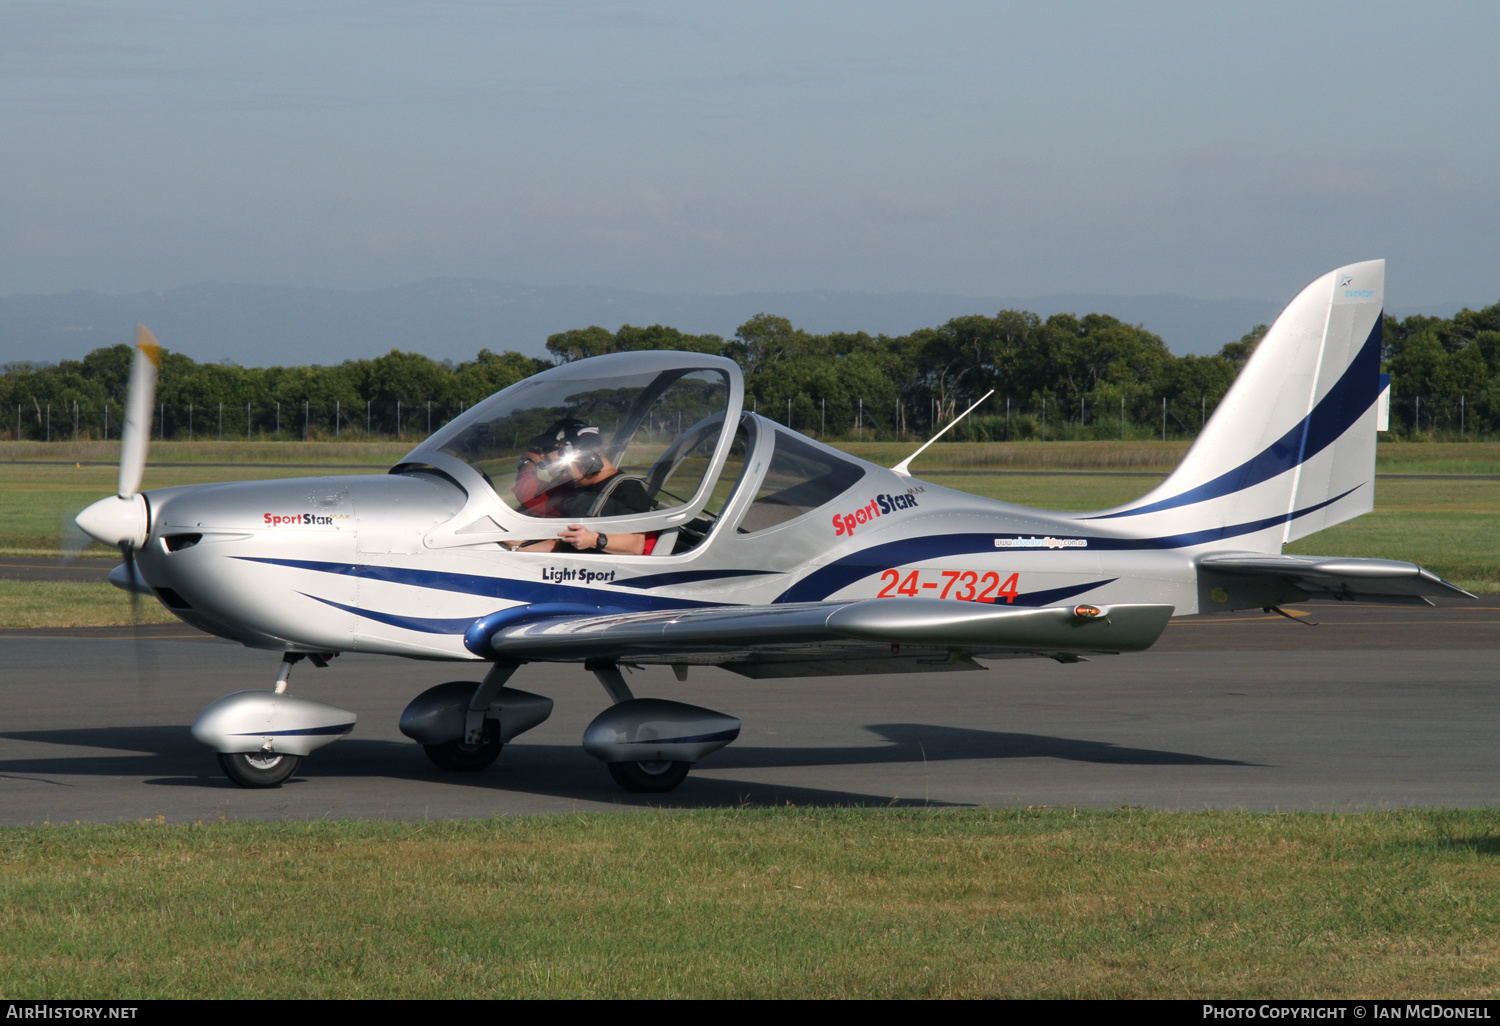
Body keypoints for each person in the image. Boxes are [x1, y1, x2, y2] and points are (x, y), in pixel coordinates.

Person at [508, 419, 654, 555]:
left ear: (588, 462)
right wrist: (514, 544)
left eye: (568, 468)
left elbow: (636, 544)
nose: (566, 476)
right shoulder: (583, 491)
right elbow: (559, 545)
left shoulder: (628, 489)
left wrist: (594, 540)